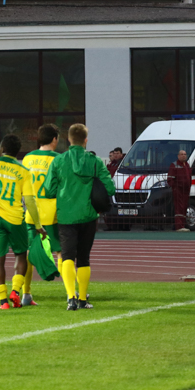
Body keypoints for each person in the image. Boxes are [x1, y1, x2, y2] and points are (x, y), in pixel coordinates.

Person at [43, 123, 115, 311]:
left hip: (66, 215)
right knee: (84, 258)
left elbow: (48, 190)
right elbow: (110, 188)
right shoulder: (95, 161)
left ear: (68, 139)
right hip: (88, 215)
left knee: (67, 256)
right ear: (86, 140)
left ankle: (71, 298)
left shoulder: (58, 161)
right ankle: (83, 299)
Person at [0, 134, 46, 309]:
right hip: (16, 219)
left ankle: (3, 301)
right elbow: (29, 201)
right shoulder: (24, 171)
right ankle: (15, 291)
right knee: (20, 255)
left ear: (1, 149)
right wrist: (37, 225)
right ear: (17, 152)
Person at [21, 124, 61, 306]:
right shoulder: (58, 159)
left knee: (29, 253)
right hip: (52, 213)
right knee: (61, 252)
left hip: (31, 213)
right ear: (54, 139)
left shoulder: (27, 158)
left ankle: (26, 293)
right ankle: (72, 292)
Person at [167, 150, 192, 231]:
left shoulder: (187, 165)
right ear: (178, 156)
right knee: (179, 207)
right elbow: (170, 179)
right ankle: (179, 226)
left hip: (186, 190)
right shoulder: (174, 165)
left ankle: (183, 225)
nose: (183, 156)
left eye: (185, 154)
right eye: (182, 154)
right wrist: (175, 187)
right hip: (178, 190)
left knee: (184, 207)